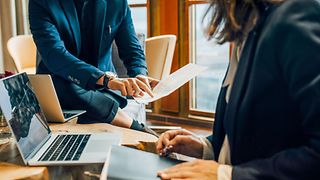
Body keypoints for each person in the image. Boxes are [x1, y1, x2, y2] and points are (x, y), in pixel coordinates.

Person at [156, 0, 320, 179]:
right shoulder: (249, 31)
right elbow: (265, 133)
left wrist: (228, 175)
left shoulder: (297, 14)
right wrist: (207, 147)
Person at [28, 0, 158, 133]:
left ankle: (106, 111)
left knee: (73, 91)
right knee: (59, 82)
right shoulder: (41, 3)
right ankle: (131, 124)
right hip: (62, 85)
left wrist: (139, 74)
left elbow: (132, 49)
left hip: (105, 92)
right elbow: (55, 55)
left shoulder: (118, 3)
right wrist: (107, 80)